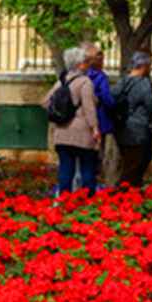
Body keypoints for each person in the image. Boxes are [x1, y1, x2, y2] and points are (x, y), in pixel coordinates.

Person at [42, 46, 100, 196]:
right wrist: (95, 128)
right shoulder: (85, 82)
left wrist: (62, 113)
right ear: (80, 65)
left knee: (65, 170)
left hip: (62, 133)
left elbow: (45, 102)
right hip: (82, 133)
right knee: (87, 169)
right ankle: (88, 201)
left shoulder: (61, 82)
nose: (88, 64)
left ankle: (65, 201)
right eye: (86, 62)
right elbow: (89, 108)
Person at [111, 51, 152, 188]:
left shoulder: (122, 81)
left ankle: (127, 192)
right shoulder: (143, 83)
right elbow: (150, 106)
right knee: (135, 166)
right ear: (144, 66)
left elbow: (111, 98)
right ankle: (123, 193)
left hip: (121, 129)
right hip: (138, 131)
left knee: (128, 163)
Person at [82, 43, 116, 184]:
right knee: (96, 157)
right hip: (99, 121)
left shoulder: (79, 75)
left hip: (81, 121)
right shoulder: (100, 77)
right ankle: (92, 186)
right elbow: (107, 99)